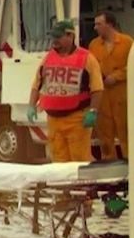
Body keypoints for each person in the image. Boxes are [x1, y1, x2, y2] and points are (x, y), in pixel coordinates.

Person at [28, 19, 104, 163]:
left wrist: (93, 111)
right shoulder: (48, 57)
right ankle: (62, 186)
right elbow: (37, 83)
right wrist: (31, 105)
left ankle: (79, 186)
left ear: (70, 36)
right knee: (58, 160)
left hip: (76, 119)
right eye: (53, 37)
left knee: (79, 160)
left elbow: (97, 88)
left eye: (58, 37)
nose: (54, 40)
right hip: (53, 120)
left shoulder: (86, 58)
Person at [88, 11, 133, 160]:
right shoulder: (94, 45)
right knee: (105, 137)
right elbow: (90, 67)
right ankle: (109, 166)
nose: (95, 27)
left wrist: (117, 76)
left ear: (110, 25)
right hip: (103, 97)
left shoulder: (127, 42)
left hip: (122, 96)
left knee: (127, 134)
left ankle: (131, 166)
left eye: (99, 24)